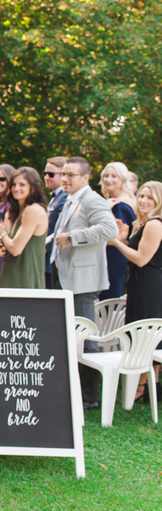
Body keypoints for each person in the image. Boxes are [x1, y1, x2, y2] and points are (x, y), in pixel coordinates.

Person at [49, 156, 117, 409]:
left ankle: (90, 398)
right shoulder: (70, 200)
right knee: (68, 336)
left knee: (86, 337)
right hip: (65, 275)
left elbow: (110, 229)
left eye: (70, 175)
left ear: (85, 178)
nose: (64, 179)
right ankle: (73, 392)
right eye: (63, 174)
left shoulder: (92, 199)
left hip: (84, 281)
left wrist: (73, 237)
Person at [107, 181, 162, 401]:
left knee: (145, 335)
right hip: (143, 283)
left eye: (150, 197)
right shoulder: (146, 223)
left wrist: (116, 243)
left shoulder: (155, 224)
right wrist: (123, 239)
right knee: (145, 334)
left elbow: (141, 259)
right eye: (141, 196)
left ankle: (142, 386)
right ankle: (149, 387)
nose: (143, 200)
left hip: (149, 285)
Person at [0, 167, 48, 289]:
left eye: (22, 185)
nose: (16, 189)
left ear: (32, 187)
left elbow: (15, 249)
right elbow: (11, 243)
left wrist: (1, 234)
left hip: (25, 281)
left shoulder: (33, 210)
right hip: (11, 276)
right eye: (14, 185)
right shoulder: (17, 210)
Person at [98, 161, 137, 299]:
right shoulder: (113, 201)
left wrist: (105, 209)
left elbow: (113, 235)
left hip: (115, 259)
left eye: (113, 176)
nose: (108, 179)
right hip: (113, 258)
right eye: (106, 175)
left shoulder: (120, 206)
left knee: (111, 300)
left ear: (123, 179)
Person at [43, 157, 68, 289]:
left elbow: (61, 229)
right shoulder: (54, 198)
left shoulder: (64, 198)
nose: (47, 177)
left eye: (51, 174)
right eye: (45, 173)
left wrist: (45, 248)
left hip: (53, 260)